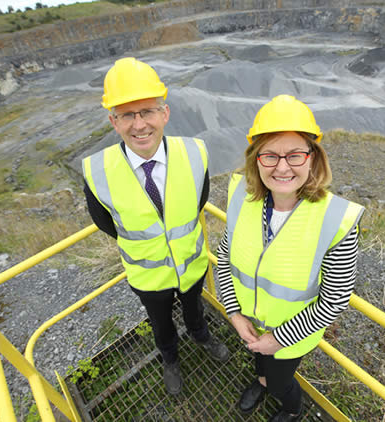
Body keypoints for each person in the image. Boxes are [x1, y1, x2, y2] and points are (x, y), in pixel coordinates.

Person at [82, 57, 229, 396]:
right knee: (161, 325)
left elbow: (198, 200)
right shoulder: (97, 172)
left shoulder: (195, 154)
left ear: (165, 113)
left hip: (191, 265)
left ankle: (202, 337)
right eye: (127, 115)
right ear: (113, 121)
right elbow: (106, 223)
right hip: (148, 278)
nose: (139, 124)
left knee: (195, 309)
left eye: (147, 111)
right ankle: (171, 359)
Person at [217, 95, 364, 421]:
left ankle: (291, 408)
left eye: (295, 154)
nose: (282, 167)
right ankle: (261, 380)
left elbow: (335, 299)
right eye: (270, 155)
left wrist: (277, 339)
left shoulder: (335, 220)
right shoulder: (242, 197)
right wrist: (234, 314)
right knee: (260, 364)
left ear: (313, 158)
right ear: (256, 159)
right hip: (249, 326)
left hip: (290, 340)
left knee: (283, 382)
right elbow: (225, 257)